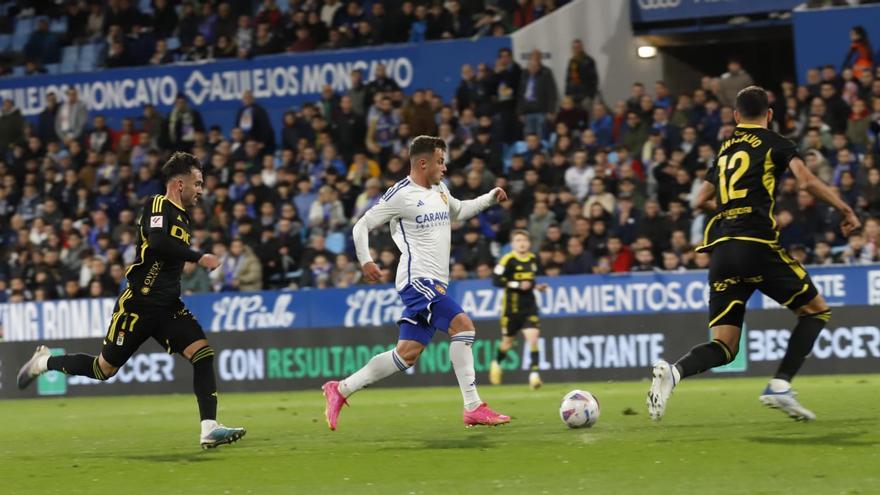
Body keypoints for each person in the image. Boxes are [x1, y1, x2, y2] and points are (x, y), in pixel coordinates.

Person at [647, 86, 861, 422]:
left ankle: (673, 374)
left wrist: (732, 208)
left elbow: (699, 200)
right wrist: (844, 208)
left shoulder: (725, 149)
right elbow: (806, 183)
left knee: (726, 346)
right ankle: (780, 385)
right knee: (815, 311)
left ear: (735, 116)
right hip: (756, 244)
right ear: (770, 114)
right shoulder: (777, 142)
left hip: (721, 251)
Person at [17, 152, 246, 449]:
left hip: (166, 307)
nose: (201, 189)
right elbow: (160, 242)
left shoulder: (183, 217)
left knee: (203, 354)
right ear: (179, 183)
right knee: (103, 370)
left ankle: (209, 428)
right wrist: (198, 256)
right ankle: (44, 362)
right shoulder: (157, 205)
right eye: (198, 183)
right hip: (138, 304)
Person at [322, 136, 510, 429]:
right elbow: (361, 225)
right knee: (464, 327)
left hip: (436, 282)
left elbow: (459, 211)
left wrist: (489, 197)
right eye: (440, 161)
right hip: (417, 280)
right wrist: (366, 261)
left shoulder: (440, 189)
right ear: (423, 163)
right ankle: (473, 406)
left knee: (406, 354)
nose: (444, 167)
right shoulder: (400, 194)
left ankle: (341, 389)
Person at [489, 230, 549, 389]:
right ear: (513, 244)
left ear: (529, 243)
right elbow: (495, 281)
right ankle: (497, 363)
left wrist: (537, 286)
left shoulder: (533, 258)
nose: (522, 243)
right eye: (518, 240)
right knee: (507, 343)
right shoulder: (507, 259)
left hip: (529, 305)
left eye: (524, 240)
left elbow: (530, 281)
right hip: (511, 308)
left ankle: (534, 375)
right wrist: (516, 285)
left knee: (533, 338)